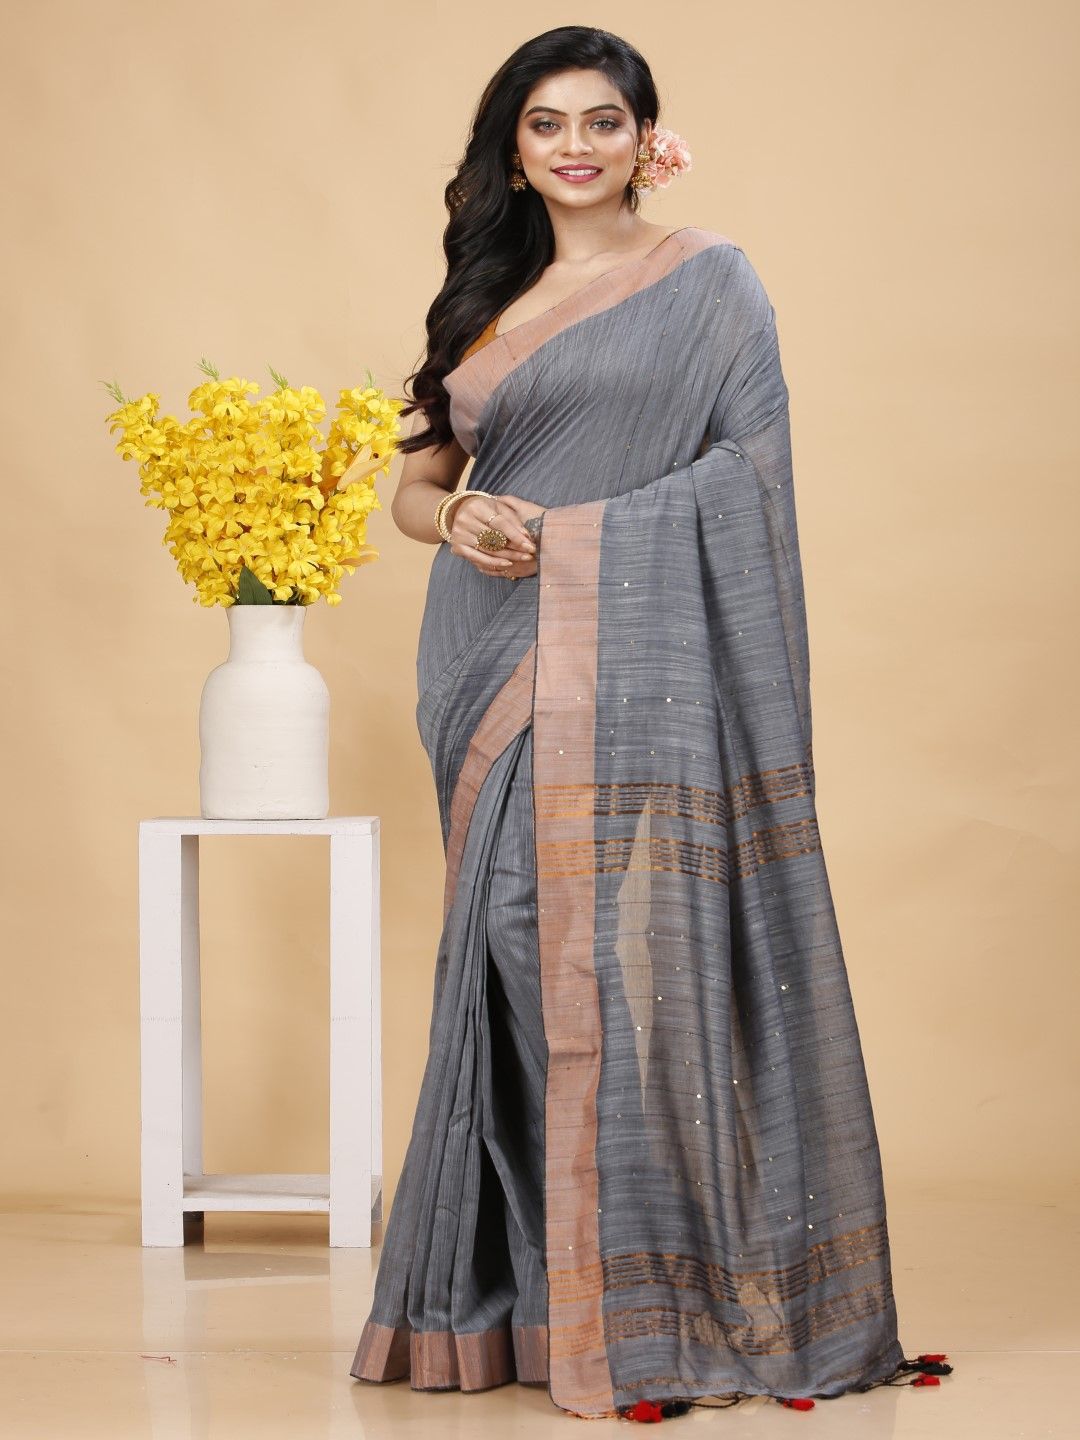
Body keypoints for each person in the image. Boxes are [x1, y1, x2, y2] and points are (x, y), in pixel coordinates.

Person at [348, 23, 952, 1423]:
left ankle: (656, 1291)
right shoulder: (480, 299)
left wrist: (583, 536)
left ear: (644, 138)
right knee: (514, 947)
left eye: (602, 121)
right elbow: (416, 489)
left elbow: (751, 471)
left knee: (627, 955)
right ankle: (537, 1300)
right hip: (486, 654)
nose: (576, 146)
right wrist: (461, 517)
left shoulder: (709, 280)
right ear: (514, 151)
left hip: (633, 644)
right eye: (547, 124)